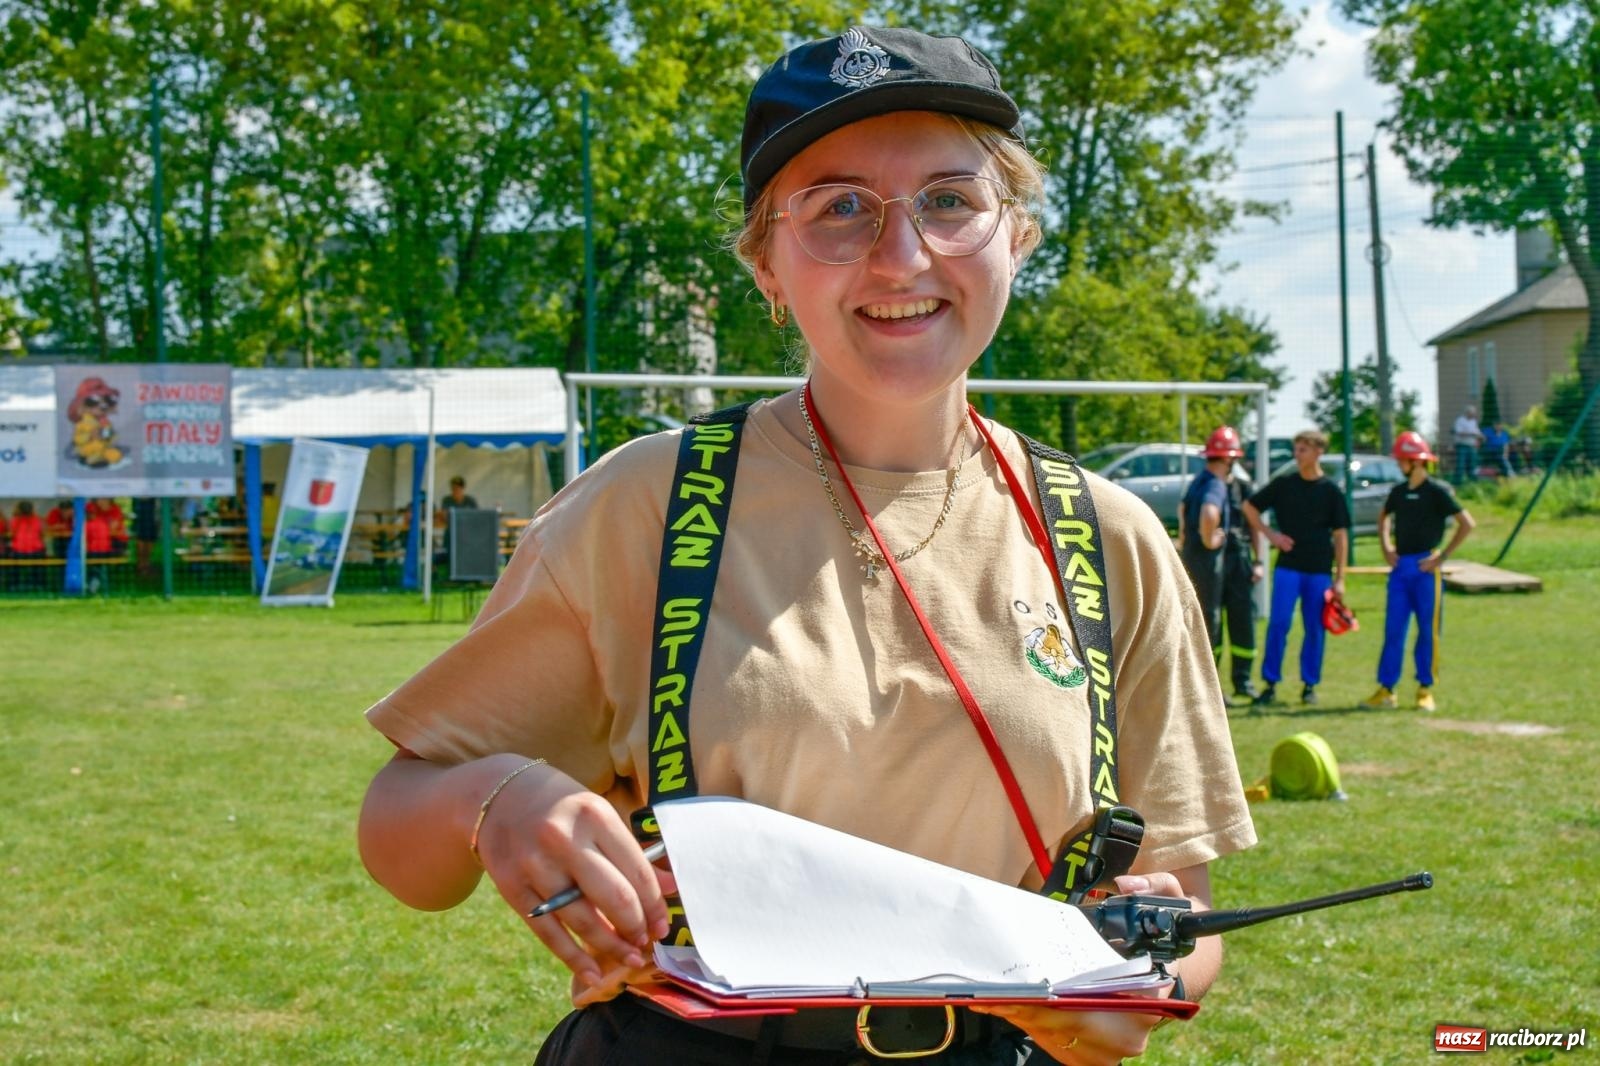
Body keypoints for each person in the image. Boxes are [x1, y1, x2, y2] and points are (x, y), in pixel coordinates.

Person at [358, 26, 1256, 1066]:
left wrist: (1138, 980)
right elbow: (401, 839)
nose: (902, 254)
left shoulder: (1108, 535)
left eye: (949, 201)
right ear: (766, 266)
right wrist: (493, 798)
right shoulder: (647, 503)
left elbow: (1182, 909)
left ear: (1015, 235)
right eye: (838, 209)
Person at [1361, 432, 1475, 712]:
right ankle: (1387, 690)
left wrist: (1442, 557)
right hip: (1400, 569)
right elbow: (1383, 518)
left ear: (1415, 461)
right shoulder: (1398, 492)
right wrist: (1387, 547)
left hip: (1426, 569)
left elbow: (1466, 523)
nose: (1399, 464)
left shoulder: (1437, 492)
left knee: (1428, 630)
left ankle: (1425, 688)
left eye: (1402, 459)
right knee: (1394, 630)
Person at [1242, 430, 1350, 707]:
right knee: (1279, 624)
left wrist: (1340, 579)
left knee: (1315, 628)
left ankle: (1309, 685)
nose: (1297, 454)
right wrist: (1271, 535)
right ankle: (1270, 683)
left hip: (1319, 571)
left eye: (1303, 449)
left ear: (1318, 452)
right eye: (1297, 448)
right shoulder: (1284, 484)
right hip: (1288, 568)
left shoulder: (1331, 491)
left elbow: (1341, 537)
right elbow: (1249, 508)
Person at [1176, 428, 1234, 683]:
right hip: (1207, 562)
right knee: (1208, 623)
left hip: (1190, 558)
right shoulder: (1215, 484)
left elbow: (1181, 509)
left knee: (1190, 619)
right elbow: (1210, 513)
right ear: (1229, 459)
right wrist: (1210, 539)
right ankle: (1207, 684)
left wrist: (1187, 537)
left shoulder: (1198, 480)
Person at [1451, 404, 1483, 485]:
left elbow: (1477, 432)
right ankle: (1457, 483)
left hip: (1472, 446)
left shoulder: (1473, 422)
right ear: (1468, 412)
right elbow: (1459, 432)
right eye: (1473, 413)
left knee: (1472, 465)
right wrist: (1472, 434)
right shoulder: (1460, 420)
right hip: (1462, 446)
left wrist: (1481, 436)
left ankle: (1472, 483)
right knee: (1460, 465)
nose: (1474, 414)